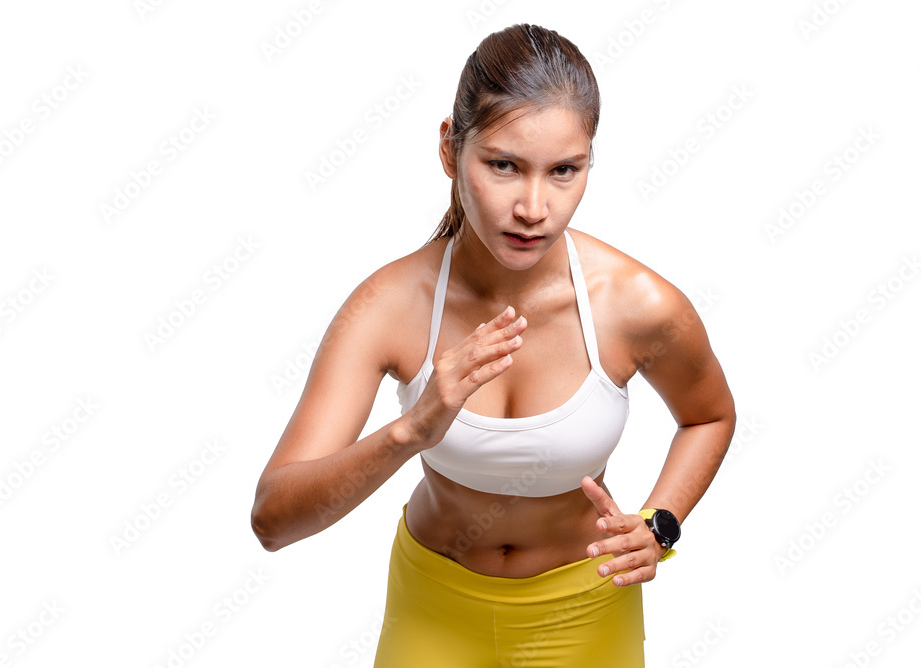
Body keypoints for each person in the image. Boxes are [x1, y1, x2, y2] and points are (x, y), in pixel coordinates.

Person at [251, 23, 736, 667]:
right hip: (434, 604)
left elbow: (708, 415)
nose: (534, 207)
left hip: (586, 605)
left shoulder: (637, 303)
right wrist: (411, 432)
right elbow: (274, 521)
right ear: (452, 150)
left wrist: (661, 525)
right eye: (503, 165)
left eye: (564, 171)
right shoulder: (389, 306)